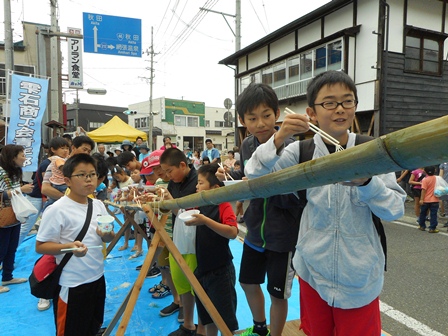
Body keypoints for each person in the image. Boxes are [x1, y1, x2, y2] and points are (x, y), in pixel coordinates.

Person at [245, 70, 406, 336]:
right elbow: (255, 173)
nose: (339, 109)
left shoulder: (372, 150)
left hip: (359, 278)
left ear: (355, 106)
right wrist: (278, 137)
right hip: (312, 273)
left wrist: (367, 182)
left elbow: (394, 209)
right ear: (312, 112)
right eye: (329, 103)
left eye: (347, 101)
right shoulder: (300, 152)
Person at [217, 82, 301, 336]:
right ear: (242, 120)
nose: (261, 123)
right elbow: (247, 174)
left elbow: (298, 196)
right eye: (252, 118)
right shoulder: (247, 145)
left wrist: (260, 187)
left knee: (277, 293)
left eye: (266, 115)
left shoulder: (294, 146)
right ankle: (260, 328)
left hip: (283, 236)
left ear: (277, 114)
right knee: (247, 282)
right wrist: (231, 175)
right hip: (254, 231)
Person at [36, 154, 115, 335]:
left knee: (93, 325)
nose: (89, 179)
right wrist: (70, 247)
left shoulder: (98, 205)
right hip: (71, 284)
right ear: (67, 180)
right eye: (81, 175)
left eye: (92, 174)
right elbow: (40, 246)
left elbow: (109, 238)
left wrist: (107, 234)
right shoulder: (57, 210)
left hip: (97, 278)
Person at [184, 163, 239, 335]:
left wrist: (205, 221)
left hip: (221, 271)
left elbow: (232, 232)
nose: (196, 186)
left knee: (224, 321)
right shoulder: (199, 204)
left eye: (200, 183)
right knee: (208, 318)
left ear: (214, 187)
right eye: (197, 183)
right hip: (203, 269)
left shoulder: (223, 205)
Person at [160, 148, 204, 336]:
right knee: (181, 282)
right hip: (179, 238)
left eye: (169, 171)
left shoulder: (199, 180)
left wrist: (170, 200)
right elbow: (174, 211)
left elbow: (190, 209)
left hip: (198, 240)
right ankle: (188, 324)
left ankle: (202, 329)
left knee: (199, 287)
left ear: (183, 165)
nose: (168, 176)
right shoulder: (173, 182)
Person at [0, 145, 33, 294]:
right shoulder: (1, 173)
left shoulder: (15, 173)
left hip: (15, 214)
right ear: (13, 157)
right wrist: (21, 190)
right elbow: (2, 195)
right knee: (2, 250)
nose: (25, 158)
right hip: (3, 216)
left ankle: (7, 276)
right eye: (22, 155)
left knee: (12, 248)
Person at [41, 135, 95, 204]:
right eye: (84, 149)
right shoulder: (57, 163)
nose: (86, 153)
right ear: (73, 147)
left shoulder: (87, 167)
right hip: (57, 206)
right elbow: (45, 189)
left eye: (89, 151)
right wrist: (71, 199)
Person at [42, 137, 71, 211]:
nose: (65, 150)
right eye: (62, 148)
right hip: (59, 184)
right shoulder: (56, 159)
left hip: (60, 185)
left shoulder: (64, 159)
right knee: (52, 202)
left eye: (67, 148)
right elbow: (45, 189)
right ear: (53, 150)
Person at [418, 166, 440, 233]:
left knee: (423, 213)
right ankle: (432, 228)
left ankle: (422, 226)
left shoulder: (425, 179)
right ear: (435, 170)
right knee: (433, 214)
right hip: (435, 199)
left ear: (425, 171)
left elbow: (423, 190)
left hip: (426, 199)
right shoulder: (437, 178)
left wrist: (421, 199)